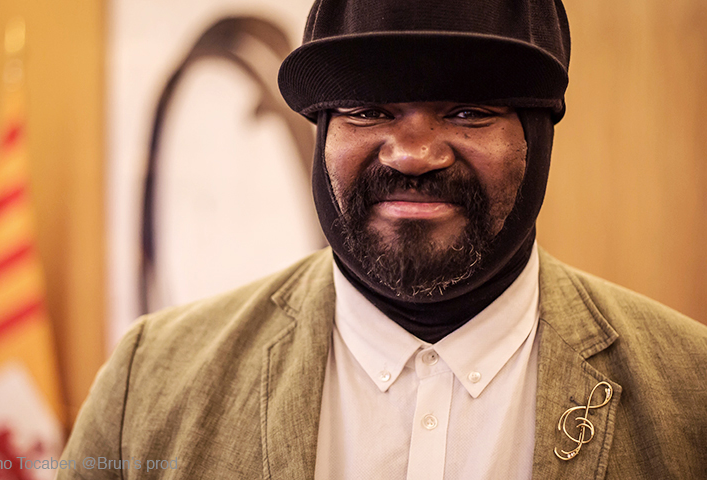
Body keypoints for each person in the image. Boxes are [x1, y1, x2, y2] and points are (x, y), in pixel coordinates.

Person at [58, 0, 707, 478]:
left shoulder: (692, 393)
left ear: (537, 138)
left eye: (468, 111)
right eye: (367, 110)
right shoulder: (149, 384)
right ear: (322, 135)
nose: (412, 154)